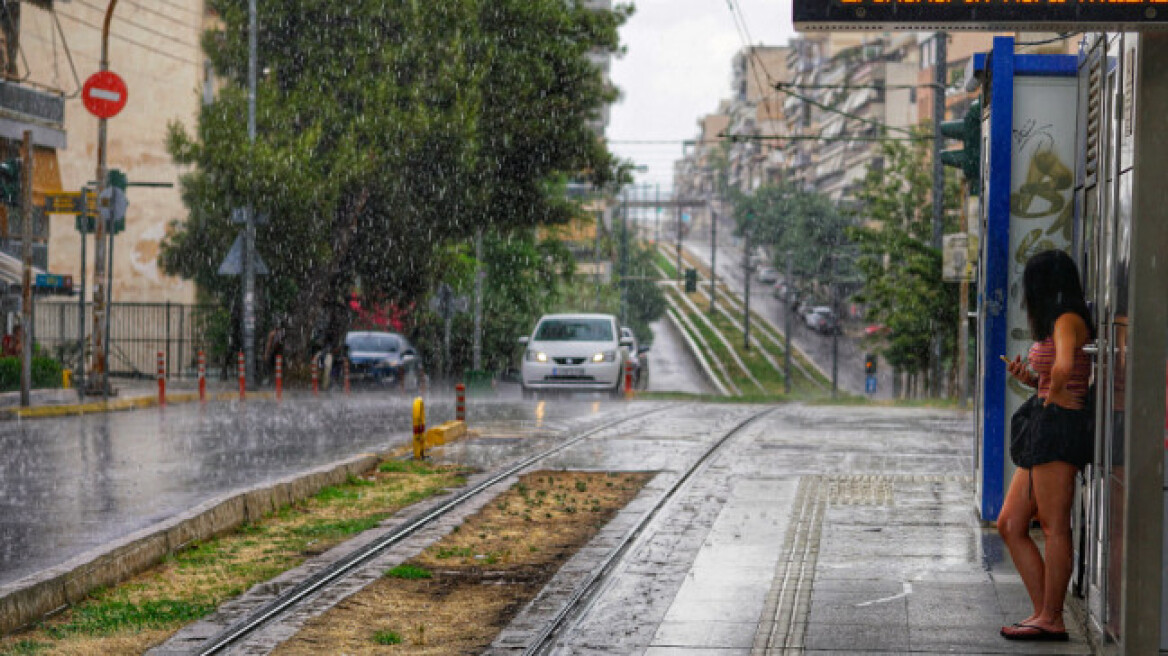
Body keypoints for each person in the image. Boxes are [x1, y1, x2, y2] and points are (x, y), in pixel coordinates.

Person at [998, 250, 1095, 642]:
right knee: (1010, 522)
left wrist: (1053, 393)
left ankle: (1051, 616)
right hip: (1046, 424)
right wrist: (1030, 379)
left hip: (1058, 428)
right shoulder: (1060, 320)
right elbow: (1052, 373)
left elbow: (1064, 365)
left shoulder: (1068, 320)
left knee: (1055, 526)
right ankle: (1044, 613)